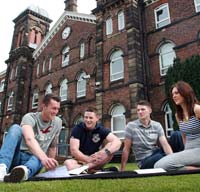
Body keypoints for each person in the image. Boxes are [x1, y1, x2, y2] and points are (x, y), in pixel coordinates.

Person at [0, 94, 62, 182]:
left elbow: (53, 146)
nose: (56, 112)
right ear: (44, 106)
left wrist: (50, 166)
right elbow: (29, 139)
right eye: (53, 108)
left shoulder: (58, 122)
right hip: (18, 156)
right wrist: (44, 158)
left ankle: (23, 172)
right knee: (16, 128)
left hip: (35, 161)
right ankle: (2, 168)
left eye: (58, 109)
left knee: (39, 156)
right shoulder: (30, 117)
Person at [154, 81, 200, 171]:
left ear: (185, 93)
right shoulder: (178, 115)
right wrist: (185, 152)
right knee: (159, 165)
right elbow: (184, 137)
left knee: (161, 165)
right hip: (189, 151)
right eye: (172, 94)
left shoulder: (197, 109)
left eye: (176, 93)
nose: (173, 96)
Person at [64, 107, 121, 172]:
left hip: (96, 159)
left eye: (91, 118)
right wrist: (88, 159)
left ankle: (85, 169)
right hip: (80, 160)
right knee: (68, 163)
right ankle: (96, 170)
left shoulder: (101, 129)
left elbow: (117, 141)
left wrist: (105, 152)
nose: (88, 120)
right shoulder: (77, 129)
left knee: (111, 145)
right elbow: (74, 150)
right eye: (86, 117)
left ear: (97, 118)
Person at [121, 100, 173, 171]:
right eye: (138, 110)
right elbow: (126, 149)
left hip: (156, 153)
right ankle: (173, 161)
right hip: (144, 161)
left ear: (150, 111)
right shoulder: (131, 126)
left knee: (176, 136)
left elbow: (165, 144)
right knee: (160, 156)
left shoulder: (157, 125)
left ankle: (174, 160)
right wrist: (122, 169)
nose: (140, 112)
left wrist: (171, 157)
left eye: (143, 109)